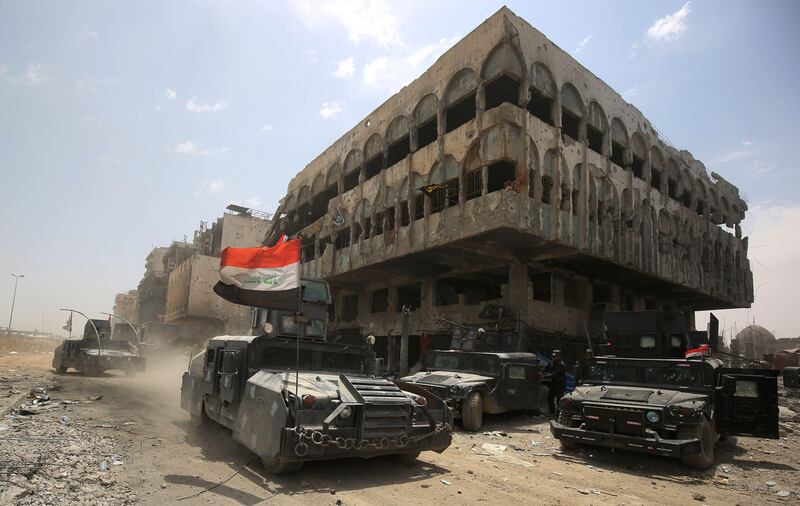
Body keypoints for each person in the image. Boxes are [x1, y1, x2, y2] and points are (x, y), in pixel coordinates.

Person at [545, 350, 567, 416]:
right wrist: (541, 372)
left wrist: (547, 375)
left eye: (555, 356)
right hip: (553, 384)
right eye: (553, 356)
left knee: (559, 400)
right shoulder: (551, 363)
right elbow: (546, 368)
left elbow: (556, 373)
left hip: (560, 385)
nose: (554, 357)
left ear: (559, 357)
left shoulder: (561, 365)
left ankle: (558, 414)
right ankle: (552, 412)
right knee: (549, 398)